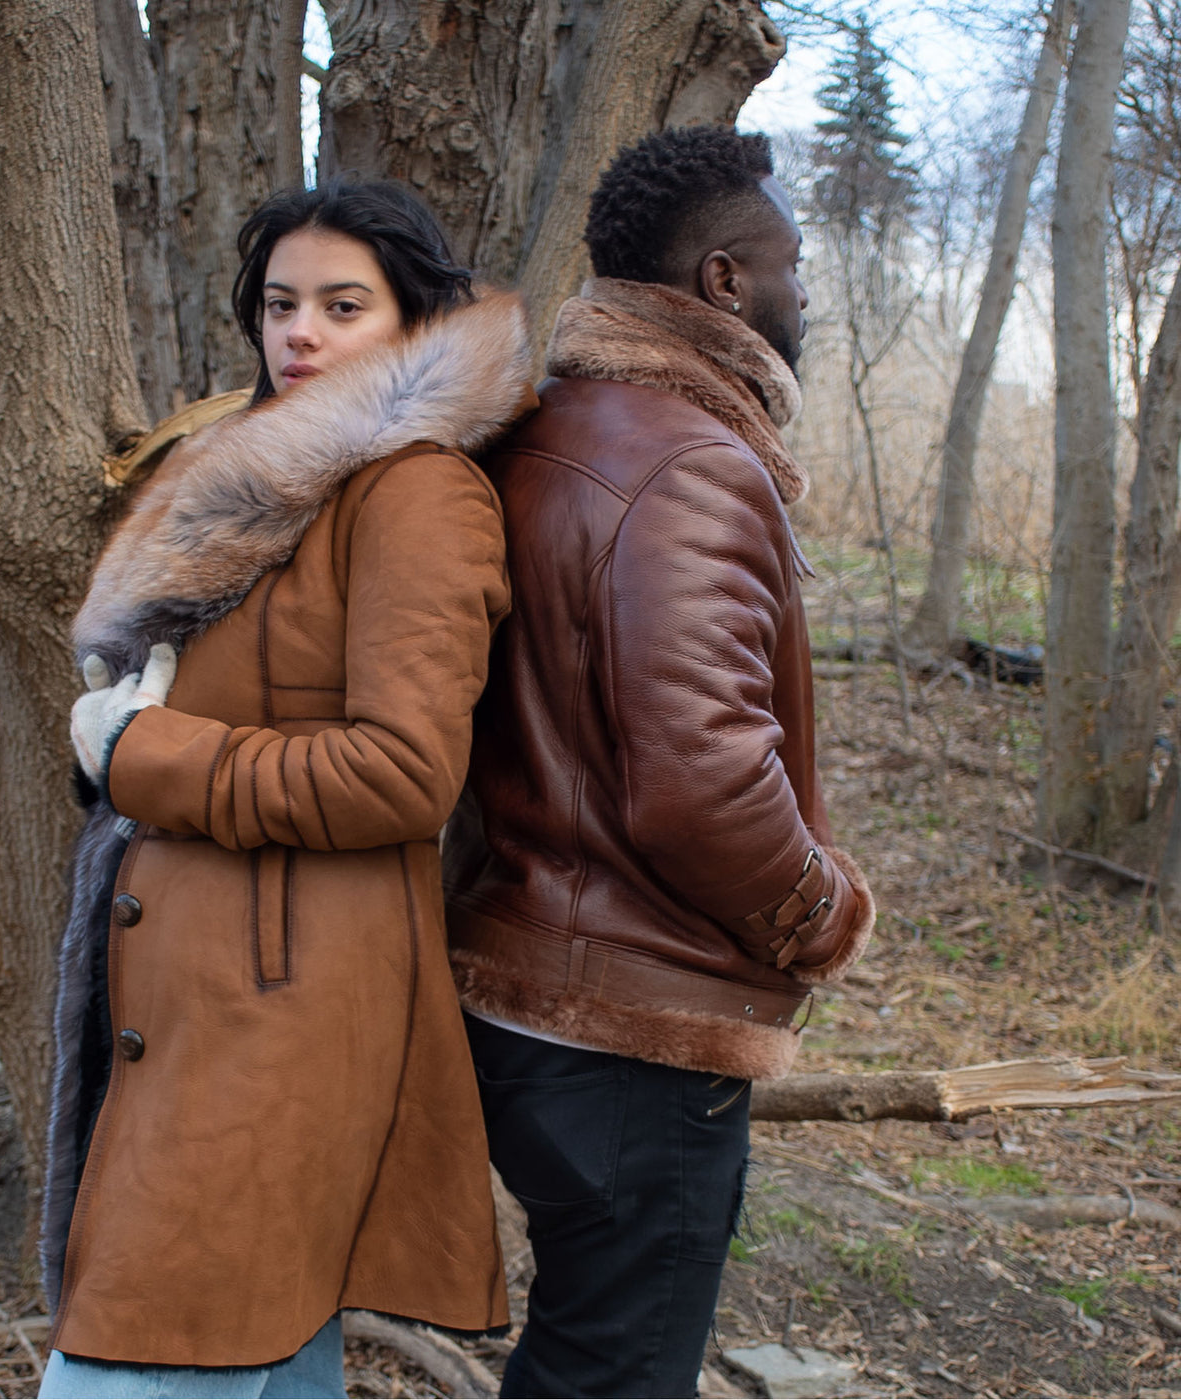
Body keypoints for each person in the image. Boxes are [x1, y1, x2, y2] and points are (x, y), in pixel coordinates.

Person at [38, 178, 534, 1399]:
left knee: (143, 1353)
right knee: (256, 1339)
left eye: (339, 304)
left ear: (409, 322)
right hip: (200, 982)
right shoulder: (254, 485)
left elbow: (403, 771)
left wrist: (141, 752)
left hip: (286, 1006)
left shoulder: (415, 492)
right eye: (277, 303)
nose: (298, 333)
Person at [444, 126, 877, 1398]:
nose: (806, 290)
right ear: (725, 283)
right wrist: (820, 913)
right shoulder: (687, 463)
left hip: (538, 981)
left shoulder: (559, 421)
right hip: (628, 1023)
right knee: (617, 1370)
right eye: (791, 263)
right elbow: (702, 783)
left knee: (587, 1351)